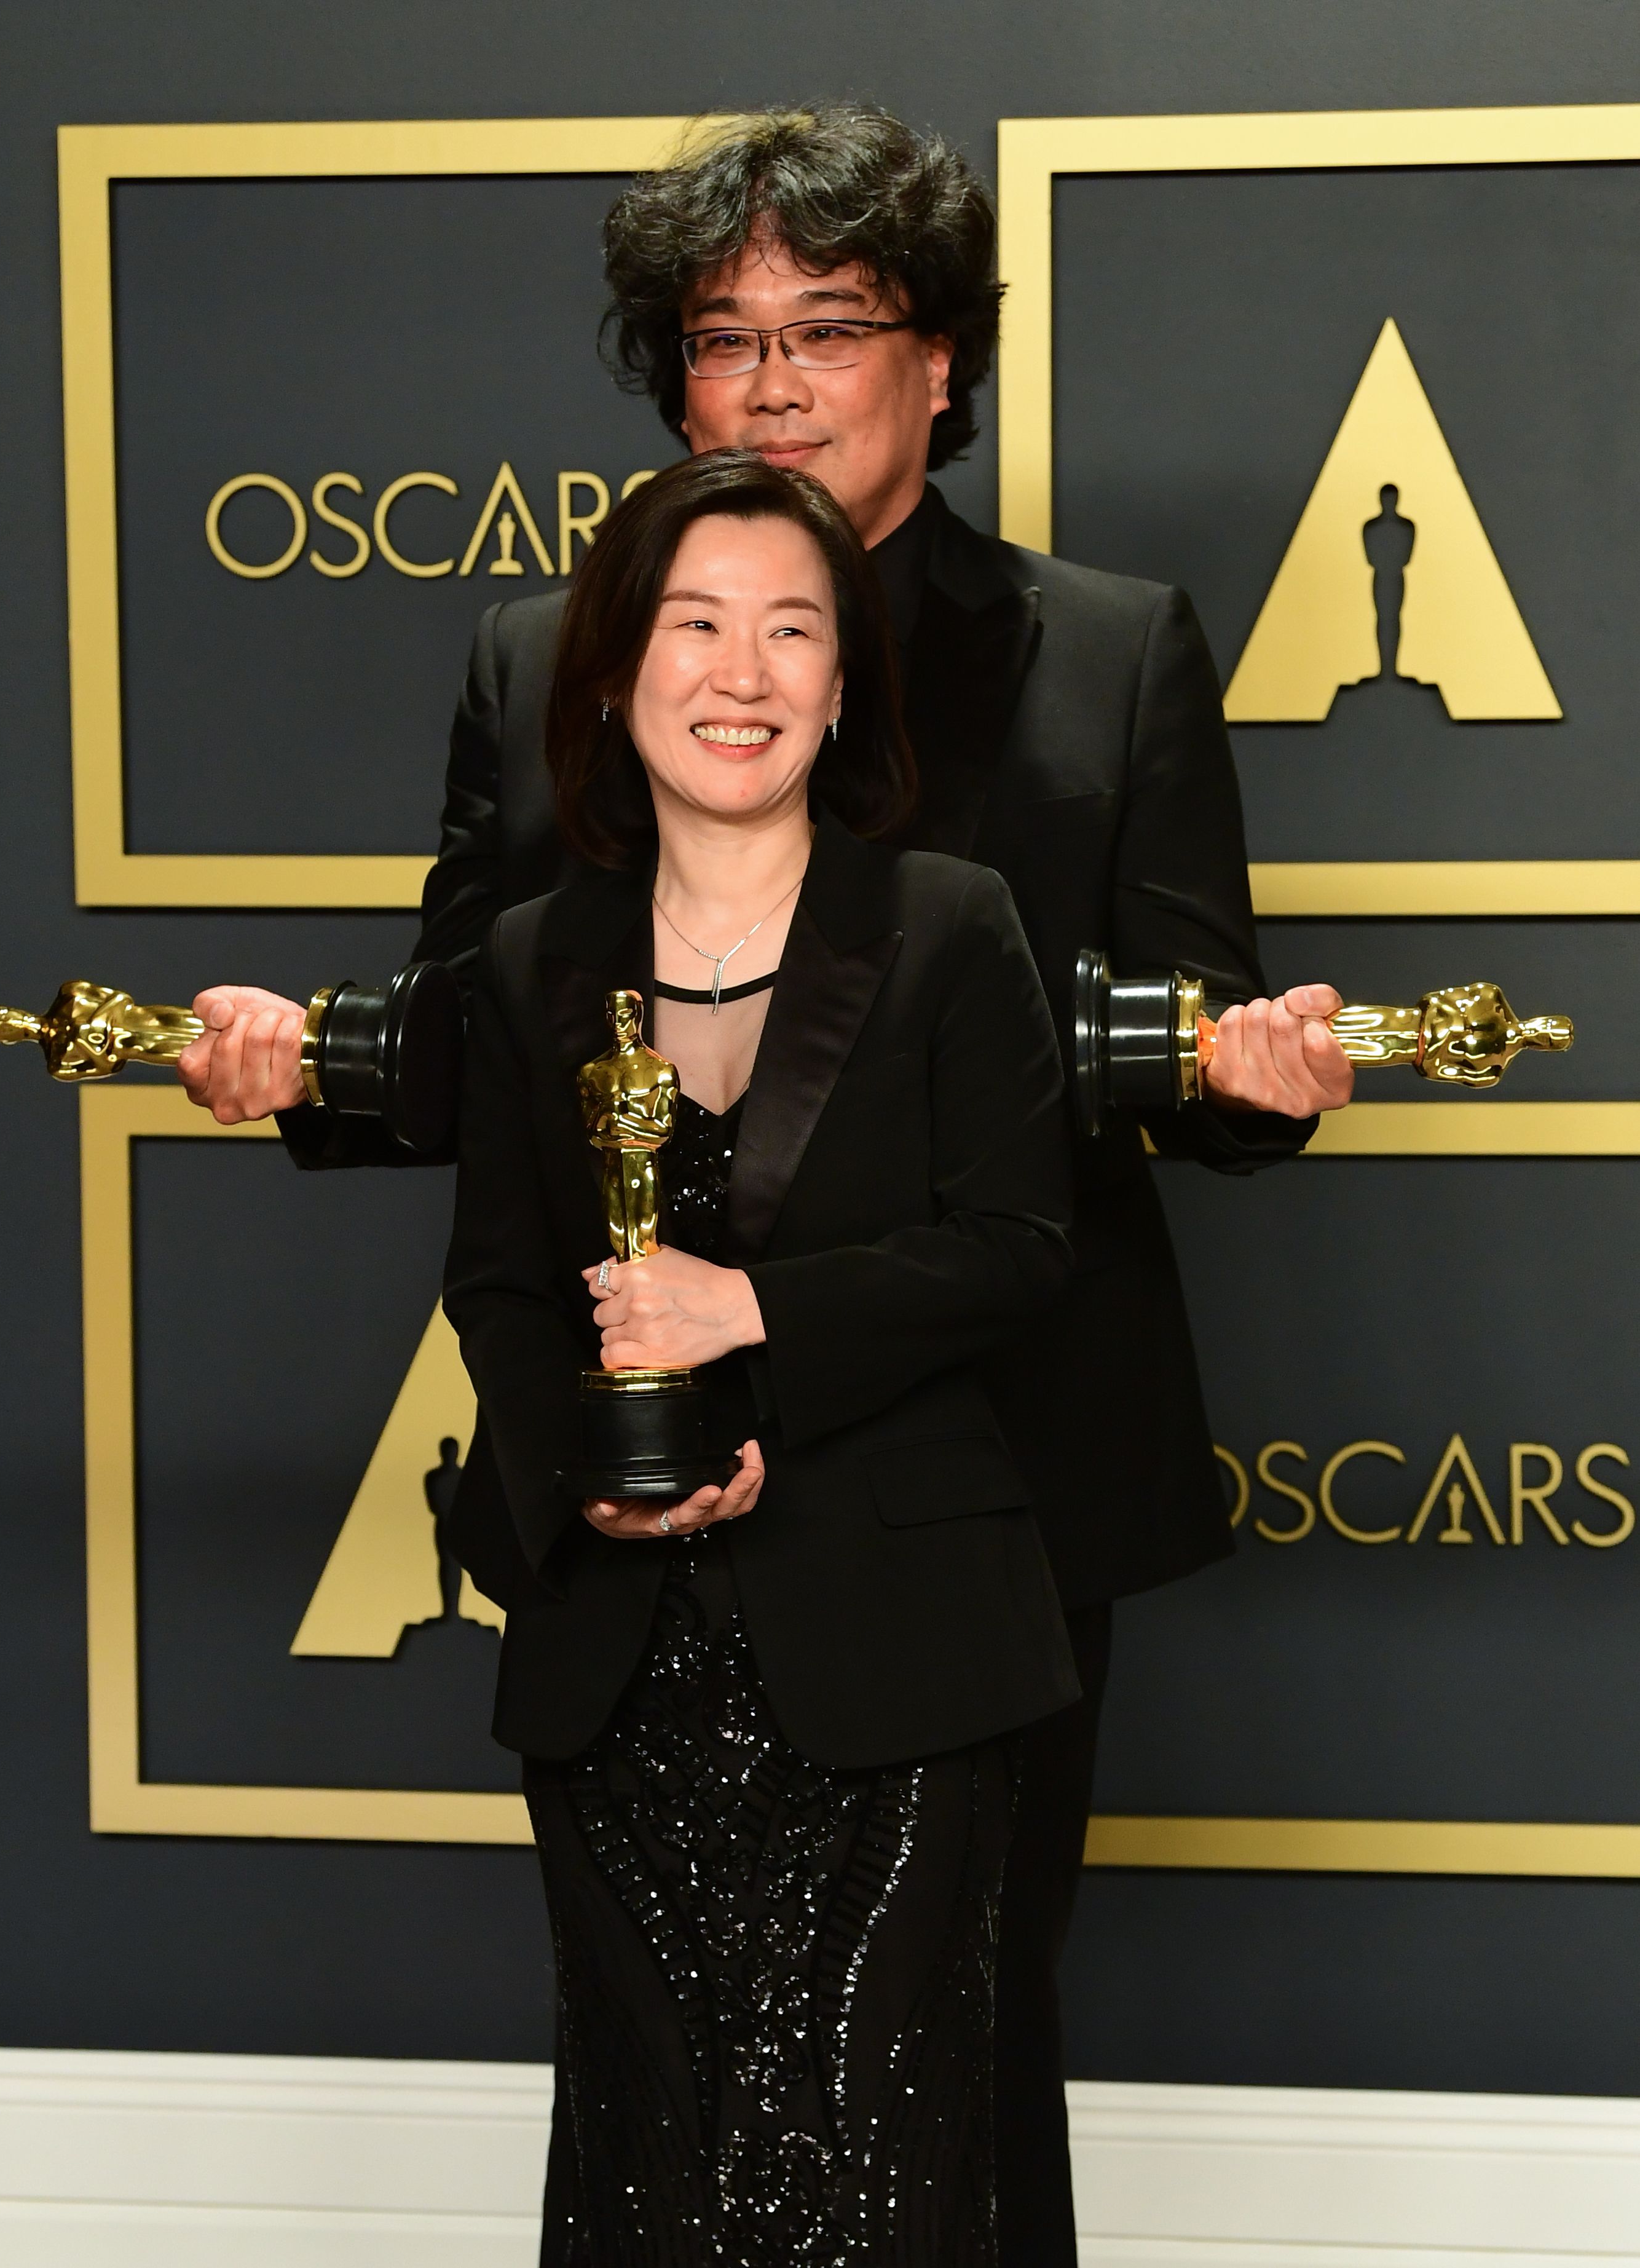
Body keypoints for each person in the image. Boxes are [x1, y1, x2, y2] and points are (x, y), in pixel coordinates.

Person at [178, 107, 1354, 2264]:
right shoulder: (553, 653)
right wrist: (295, 1072)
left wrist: (1262, 1085)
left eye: (833, 326)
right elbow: (476, 1039)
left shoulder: (1107, 648)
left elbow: (1196, 1052)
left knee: (952, 2053)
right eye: (726, 339)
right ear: (670, 378)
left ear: (939, 364)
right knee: (652, 2075)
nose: (781, 378)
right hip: (635, 1481)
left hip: (988, 1472)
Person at [448, 447, 1080, 2262]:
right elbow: (499, 1285)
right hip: (621, 1664)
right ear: (608, 670)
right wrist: (585, 1459)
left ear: (844, 679)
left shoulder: (950, 920)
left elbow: (1020, 1246)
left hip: (904, 1660)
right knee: (655, 2154)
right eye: (696, 623)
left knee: (888, 2159)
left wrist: (754, 1315)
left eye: (794, 629)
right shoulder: (519, 962)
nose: (745, 673)